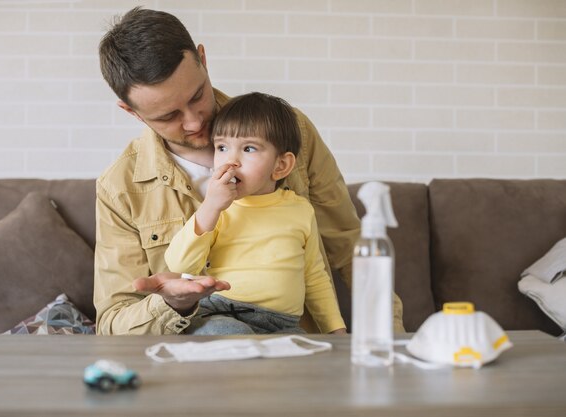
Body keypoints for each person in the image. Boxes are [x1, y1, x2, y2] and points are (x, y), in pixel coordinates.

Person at [95, 7, 404, 335]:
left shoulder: (290, 129)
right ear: (131, 111)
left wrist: (392, 343)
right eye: (168, 115)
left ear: (203, 58)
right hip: (196, 360)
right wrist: (171, 303)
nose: (195, 121)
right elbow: (112, 322)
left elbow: (350, 248)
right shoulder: (120, 188)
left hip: (295, 346)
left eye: (197, 95)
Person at [164, 92, 346, 335]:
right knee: (229, 333)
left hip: (283, 324)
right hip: (222, 313)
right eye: (222, 147)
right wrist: (210, 207)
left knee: (304, 352)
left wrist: (336, 330)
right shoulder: (217, 209)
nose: (232, 160)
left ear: (281, 165)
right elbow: (181, 264)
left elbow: (314, 276)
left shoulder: (300, 210)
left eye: (248, 148)